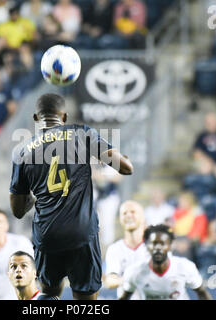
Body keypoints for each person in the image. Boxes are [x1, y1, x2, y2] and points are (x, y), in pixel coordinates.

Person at [9, 93, 133, 300]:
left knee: (48, 293)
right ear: (64, 117)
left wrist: (33, 196)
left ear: (36, 118)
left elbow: (18, 210)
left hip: (47, 235)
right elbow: (126, 168)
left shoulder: (21, 150)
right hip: (81, 233)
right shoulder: (83, 134)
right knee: (86, 299)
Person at [119, 224, 212, 300]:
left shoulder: (185, 267)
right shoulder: (135, 271)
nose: (158, 248)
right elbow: (125, 297)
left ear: (170, 246)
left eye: (162, 244)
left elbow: (202, 293)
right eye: (154, 243)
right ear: (147, 246)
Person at [104, 200, 149, 299]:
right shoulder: (114, 249)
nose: (128, 215)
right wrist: (128, 280)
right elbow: (110, 280)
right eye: (124, 213)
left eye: (133, 212)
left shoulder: (154, 248)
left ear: (143, 217)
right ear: (120, 219)